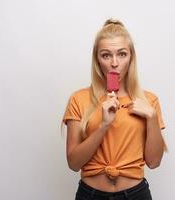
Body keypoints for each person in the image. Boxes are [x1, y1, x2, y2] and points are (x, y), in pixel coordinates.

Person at [62, 18, 167, 200]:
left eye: (122, 54)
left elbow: (154, 162)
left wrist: (151, 117)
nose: (114, 63)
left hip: (136, 195)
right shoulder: (78, 99)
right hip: (91, 195)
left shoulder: (149, 101)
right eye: (106, 55)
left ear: (131, 57)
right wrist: (103, 126)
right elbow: (73, 163)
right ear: (97, 59)